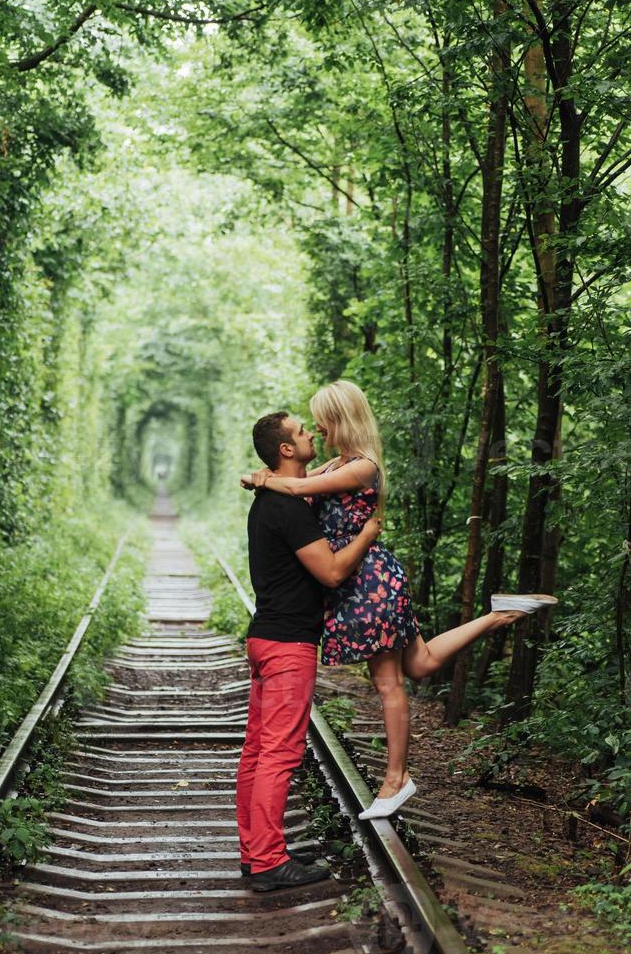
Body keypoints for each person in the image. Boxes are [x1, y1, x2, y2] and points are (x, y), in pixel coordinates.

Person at [241, 381, 557, 820]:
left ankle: (396, 778)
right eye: (308, 424)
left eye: (321, 418)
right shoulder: (337, 463)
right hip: (367, 578)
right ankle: (500, 613)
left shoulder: (363, 467)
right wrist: (266, 476)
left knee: (389, 682)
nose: (315, 427)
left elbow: (293, 489)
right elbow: (295, 482)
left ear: (340, 418)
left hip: (368, 582)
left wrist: (260, 477)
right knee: (421, 662)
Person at [237, 410, 382, 892]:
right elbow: (333, 572)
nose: (310, 435)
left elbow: (322, 476)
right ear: (285, 450)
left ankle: (257, 850)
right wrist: (366, 534)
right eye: (302, 432)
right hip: (288, 645)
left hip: (266, 638)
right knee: (278, 753)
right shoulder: (289, 508)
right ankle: (267, 862)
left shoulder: (270, 497)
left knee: (258, 752)